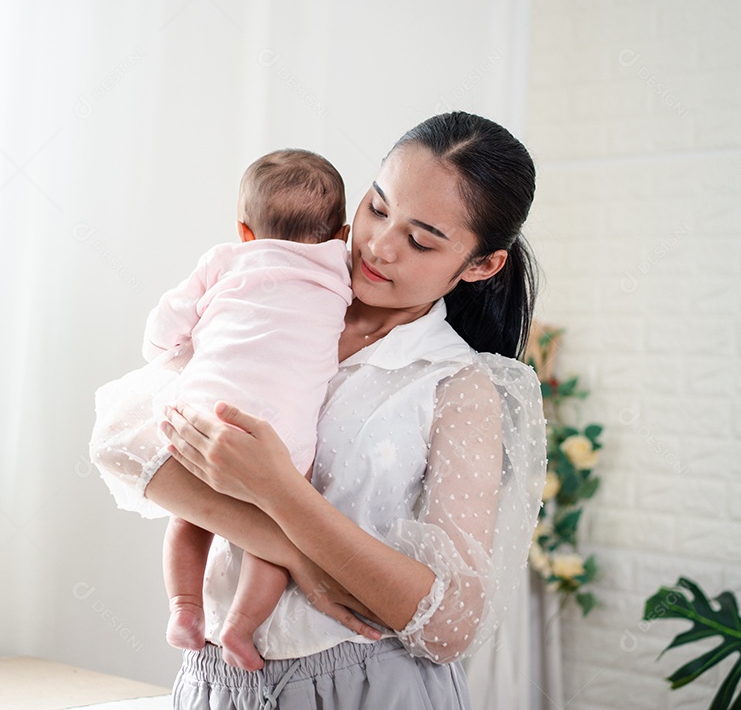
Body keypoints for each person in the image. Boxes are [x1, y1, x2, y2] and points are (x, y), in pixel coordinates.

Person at [101, 111, 548, 709]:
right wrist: (293, 553)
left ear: (480, 265)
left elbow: (451, 623)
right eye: (378, 208)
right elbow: (123, 444)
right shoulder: (269, 294)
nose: (378, 247)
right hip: (216, 681)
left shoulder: (458, 384)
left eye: (420, 241)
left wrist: (281, 491)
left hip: (367, 684)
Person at [90, 149, 354, 671]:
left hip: (203, 416)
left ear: (244, 230)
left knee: (190, 518)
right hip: (284, 438)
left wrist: (166, 348)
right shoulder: (341, 275)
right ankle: (240, 628)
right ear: (342, 235)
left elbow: (168, 322)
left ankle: (185, 610)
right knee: (273, 531)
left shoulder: (224, 259)